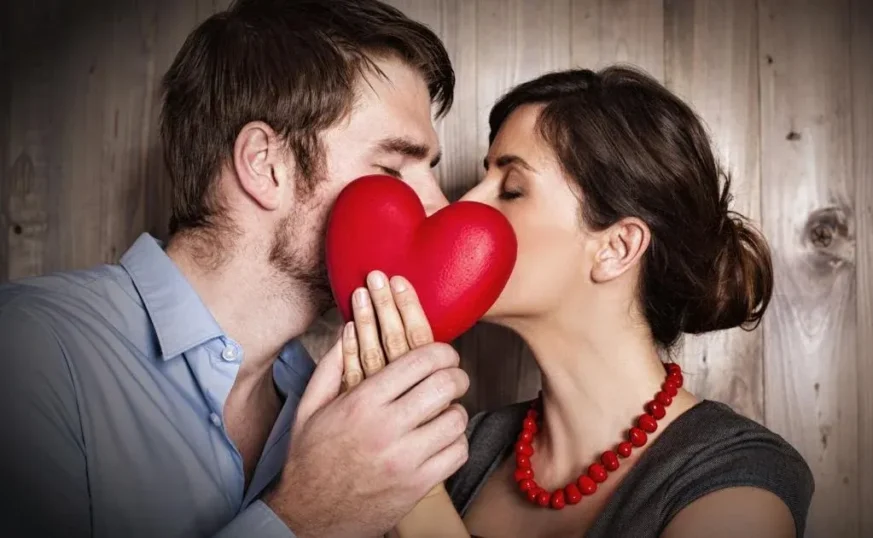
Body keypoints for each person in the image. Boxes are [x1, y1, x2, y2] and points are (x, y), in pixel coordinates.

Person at [0, 1, 472, 537]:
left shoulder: (340, 408)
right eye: (391, 167)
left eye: (428, 170)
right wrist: (308, 517)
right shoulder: (26, 352)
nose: (439, 207)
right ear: (264, 165)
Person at [342, 66, 816, 538]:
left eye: (511, 190)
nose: (458, 208)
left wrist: (411, 490)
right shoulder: (460, 447)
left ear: (617, 248)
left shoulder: (735, 482)